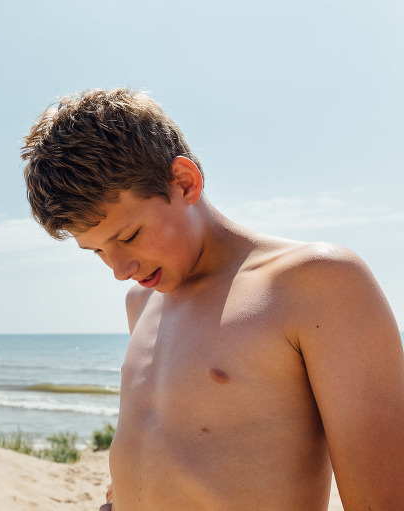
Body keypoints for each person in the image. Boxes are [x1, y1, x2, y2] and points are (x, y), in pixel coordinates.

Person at [21, 88, 404, 511]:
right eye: (97, 251)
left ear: (185, 182)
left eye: (128, 236)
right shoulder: (142, 302)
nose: (119, 269)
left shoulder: (317, 283)